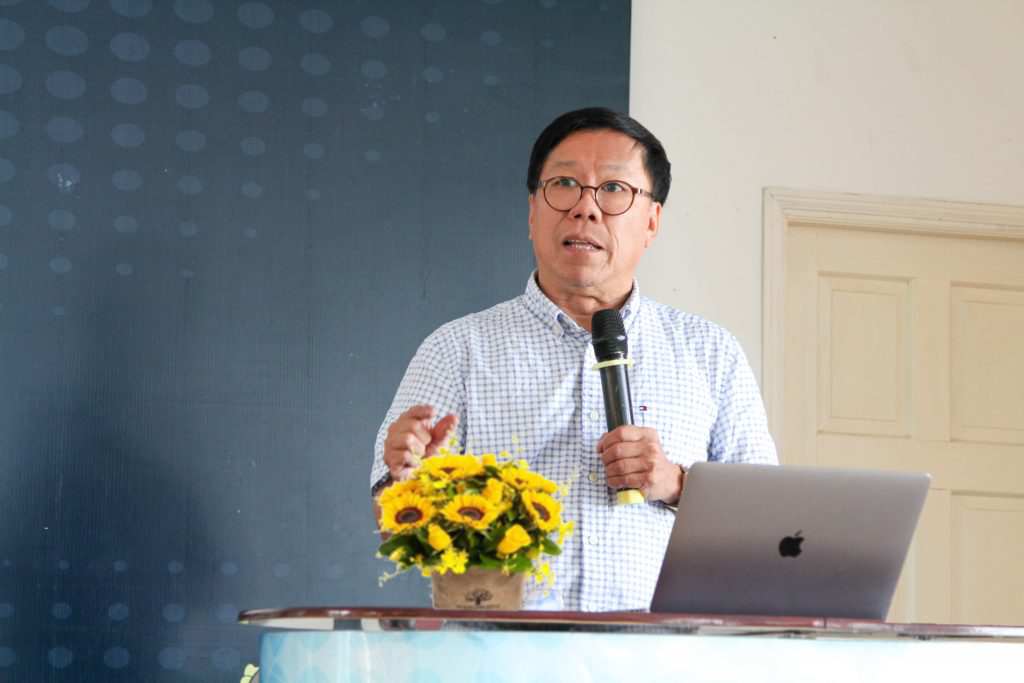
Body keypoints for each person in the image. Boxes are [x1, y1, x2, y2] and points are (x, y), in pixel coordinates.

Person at [370, 107, 777, 611]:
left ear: (651, 221)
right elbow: (392, 525)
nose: (585, 208)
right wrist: (409, 484)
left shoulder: (711, 352)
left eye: (614, 189)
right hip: (501, 648)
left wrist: (676, 484)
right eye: (564, 184)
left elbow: (769, 524)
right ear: (532, 212)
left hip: (659, 648)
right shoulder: (456, 349)